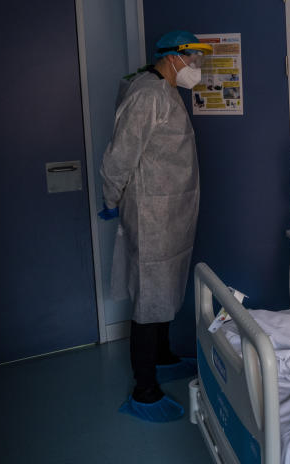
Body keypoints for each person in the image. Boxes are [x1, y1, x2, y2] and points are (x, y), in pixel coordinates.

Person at [98, 30, 212, 422]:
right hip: (151, 216)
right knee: (149, 297)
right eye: (193, 59)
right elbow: (120, 154)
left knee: (164, 289)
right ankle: (144, 389)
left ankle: (162, 357)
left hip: (170, 215)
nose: (197, 67)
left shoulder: (165, 91)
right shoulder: (147, 94)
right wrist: (111, 199)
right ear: (173, 57)